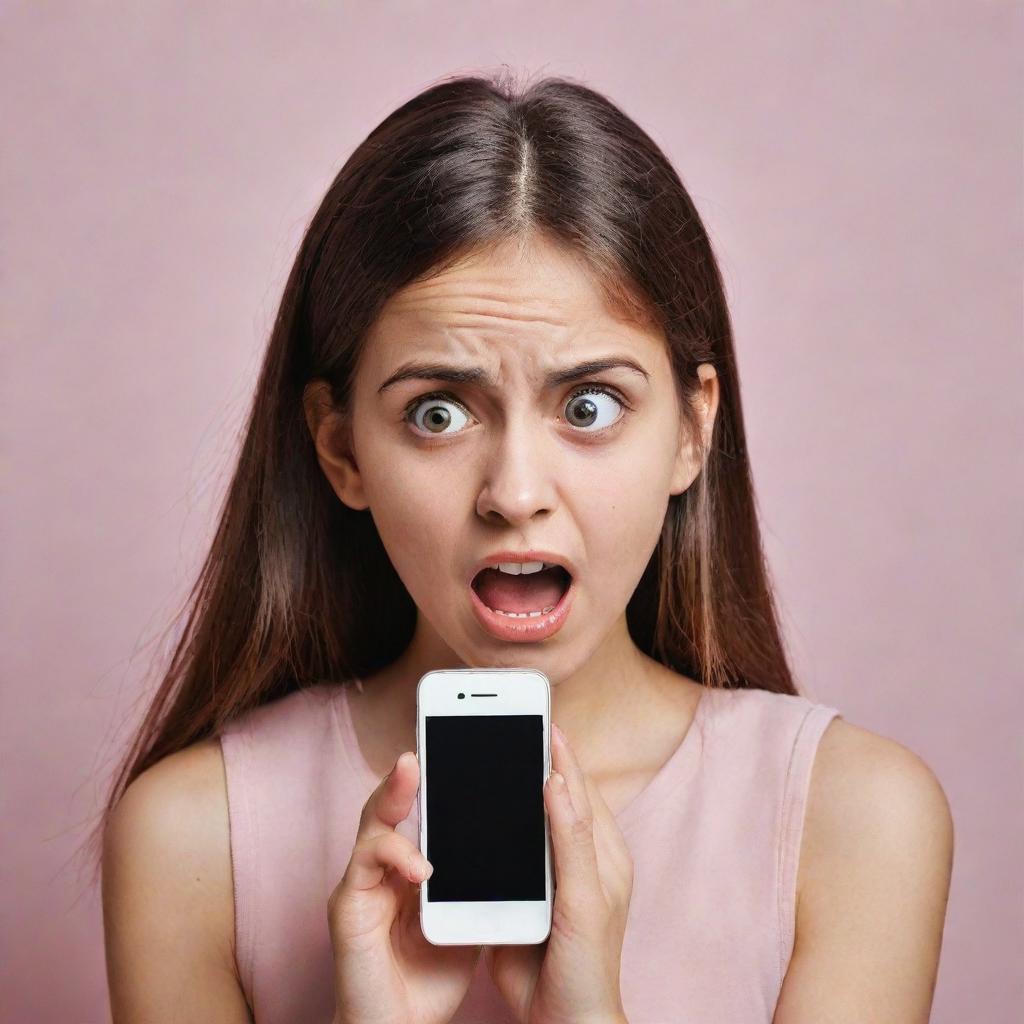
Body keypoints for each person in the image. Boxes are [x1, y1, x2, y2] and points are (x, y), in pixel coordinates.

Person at [97, 71, 953, 1023]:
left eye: (589, 407)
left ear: (690, 432)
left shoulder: (857, 822)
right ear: (341, 450)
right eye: (438, 412)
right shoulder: (191, 840)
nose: (514, 494)